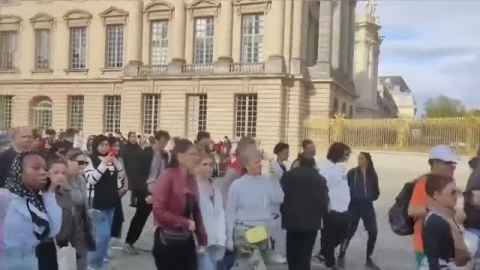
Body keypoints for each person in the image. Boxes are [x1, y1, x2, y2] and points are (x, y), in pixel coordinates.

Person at [151, 138, 207, 270]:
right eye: (192, 154)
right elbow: (159, 211)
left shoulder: (191, 179)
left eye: (196, 154)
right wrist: (184, 222)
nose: (196, 157)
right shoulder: (167, 176)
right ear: (180, 157)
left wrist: (202, 239)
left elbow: (196, 211)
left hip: (186, 240)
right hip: (167, 240)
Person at [0, 152, 62, 269]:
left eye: (45, 168)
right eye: (35, 168)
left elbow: (53, 230)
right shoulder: (5, 197)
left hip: (30, 259)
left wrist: (48, 193)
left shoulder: (39, 201)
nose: (43, 172)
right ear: (19, 172)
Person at [226, 148, 284, 269]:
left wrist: (275, 179)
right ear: (246, 165)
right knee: (257, 266)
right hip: (244, 231)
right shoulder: (237, 185)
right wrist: (229, 238)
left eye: (260, 161)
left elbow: (279, 198)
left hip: (263, 231)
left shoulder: (266, 181)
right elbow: (230, 212)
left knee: (247, 266)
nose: (260, 165)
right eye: (256, 162)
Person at [408, 145, 459, 268]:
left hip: (444, 240)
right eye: (448, 162)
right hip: (426, 244)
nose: (452, 166)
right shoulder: (424, 182)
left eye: (453, 163)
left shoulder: (448, 181)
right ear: (435, 163)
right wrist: (438, 210)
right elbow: (412, 210)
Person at [280, 154, 329, 270]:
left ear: (300, 163)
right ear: (313, 164)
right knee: (305, 255)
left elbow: (280, 195)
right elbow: (324, 201)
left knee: (292, 254)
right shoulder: (321, 179)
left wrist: (284, 211)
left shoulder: (288, 176)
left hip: (292, 222)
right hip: (311, 224)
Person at [84, 134, 125, 269]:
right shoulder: (90, 159)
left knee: (107, 237)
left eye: (107, 144)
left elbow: (119, 178)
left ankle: (100, 263)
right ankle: (93, 264)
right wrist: (104, 164)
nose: (105, 147)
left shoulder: (112, 160)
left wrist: (117, 165)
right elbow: (92, 179)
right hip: (97, 202)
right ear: (95, 146)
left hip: (111, 202)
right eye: (102, 144)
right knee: (102, 236)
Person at [125, 130, 170, 252]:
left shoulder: (164, 155)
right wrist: (140, 192)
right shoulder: (145, 153)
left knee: (161, 220)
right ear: (156, 140)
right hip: (146, 190)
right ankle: (129, 241)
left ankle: (160, 245)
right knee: (140, 217)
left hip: (161, 190)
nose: (164, 145)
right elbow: (138, 173)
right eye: (162, 142)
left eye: (166, 142)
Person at [55, 149, 95, 270]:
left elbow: (84, 203)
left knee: (82, 259)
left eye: (85, 163)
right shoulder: (59, 181)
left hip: (81, 225)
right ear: (68, 161)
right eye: (80, 162)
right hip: (65, 227)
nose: (83, 166)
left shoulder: (81, 180)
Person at [340, 152, 381, 269]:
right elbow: (345, 187)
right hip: (354, 206)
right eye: (358, 158)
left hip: (367, 206)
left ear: (367, 160)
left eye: (362, 158)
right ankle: (342, 253)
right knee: (349, 230)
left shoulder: (372, 174)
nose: (359, 160)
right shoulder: (353, 173)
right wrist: (352, 197)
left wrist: (372, 197)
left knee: (373, 231)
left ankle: (369, 256)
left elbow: (376, 190)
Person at [422, 174, 471, 269]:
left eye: (458, 192)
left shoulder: (444, 217)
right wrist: (458, 226)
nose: (457, 196)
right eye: (452, 192)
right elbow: (463, 257)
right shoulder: (436, 222)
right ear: (436, 194)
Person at [317, 142, 352, 269]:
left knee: (344, 234)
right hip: (332, 210)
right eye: (345, 154)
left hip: (344, 209)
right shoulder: (326, 169)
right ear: (337, 153)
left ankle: (324, 253)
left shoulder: (339, 168)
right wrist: (328, 206)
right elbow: (322, 188)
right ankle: (330, 263)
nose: (347, 156)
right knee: (329, 236)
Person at [196, 151, 227, 270]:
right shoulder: (192, 187)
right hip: (200, 242)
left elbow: (220, 213)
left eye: (211, 164)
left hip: (215, 240)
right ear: (196, 166)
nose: (209, 167)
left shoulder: (215, 186)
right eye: (205, 164)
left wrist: (222, 238)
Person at [36, 158, 68, 270]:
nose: (60, 176)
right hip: (40, 243)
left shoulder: (58, 194)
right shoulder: (39, 195)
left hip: (52, 242)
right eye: (56, 172)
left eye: (63, 173)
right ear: (47, 173)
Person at [269, 142, 290, 263]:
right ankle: (276, 252)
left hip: (283, 200)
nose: (288, 154)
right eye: (286, 152)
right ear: (280, 152)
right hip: (276, 201)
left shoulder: (283, 166)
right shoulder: (274, 166)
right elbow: (273, 183)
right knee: (276, 228)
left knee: (281, 227)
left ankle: (281, 251)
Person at [109, 137, 128, 249]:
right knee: (112, 215)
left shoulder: (119, 160)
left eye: (118, 146)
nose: (117, 148)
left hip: (118, 191)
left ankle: (115, 238)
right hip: (109, 192)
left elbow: (124, 174)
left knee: (118, 216)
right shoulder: (105, 160)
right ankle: (109, 239)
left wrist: (125, 186)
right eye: (114, 145)